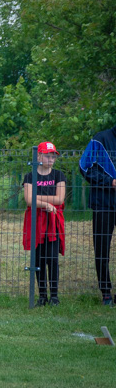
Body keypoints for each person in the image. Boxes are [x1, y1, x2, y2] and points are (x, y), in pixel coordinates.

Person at [22, 142, 66, 306]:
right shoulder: (30, 176)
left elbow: (59, 199)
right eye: (48, 156)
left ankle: (54, 296)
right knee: (39, 259)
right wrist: (47, 204)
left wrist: (38, 200)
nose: (51, 159)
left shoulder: (58, 176)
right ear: (38, 156)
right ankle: (42, 296)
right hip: (36, 222)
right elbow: (28, 200)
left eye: (53, 156)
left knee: (52, 259)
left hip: (53, 221)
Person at [79, 122, 116, 306]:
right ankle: (106, 292)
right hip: (103, 204)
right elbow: (84, 167)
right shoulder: (100, 139)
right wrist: (111, 182)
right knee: (102, 250)